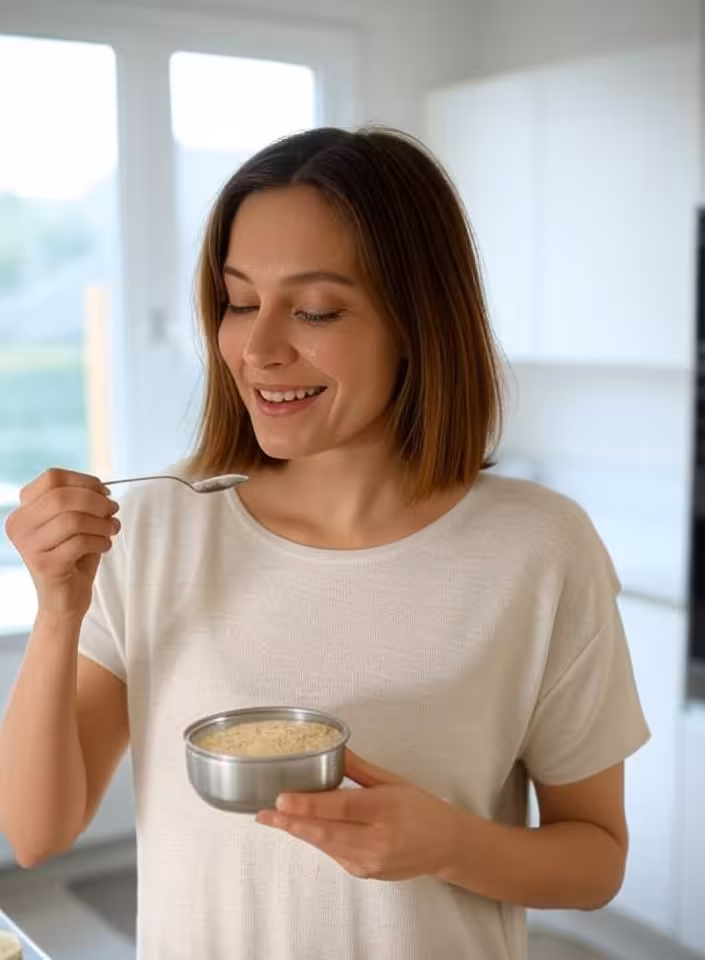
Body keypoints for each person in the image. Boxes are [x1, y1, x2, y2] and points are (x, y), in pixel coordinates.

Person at [0, 127, 650, 960]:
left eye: (314, 310)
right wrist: (58, 609)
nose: (260, 349)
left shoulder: (539, 547)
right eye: (240, 301)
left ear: (417, 320)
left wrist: (450, 843)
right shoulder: (159, 528)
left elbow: (595, 859)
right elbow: (33, 831)